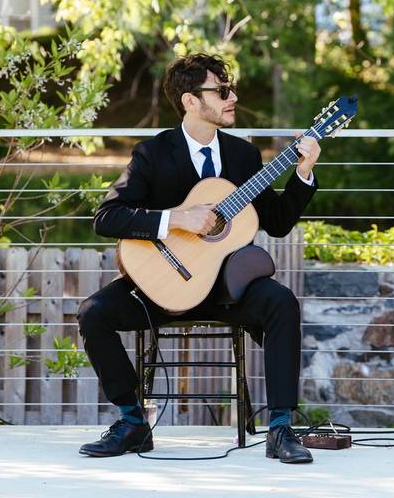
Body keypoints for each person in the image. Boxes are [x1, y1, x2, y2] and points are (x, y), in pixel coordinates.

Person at [78, 53, 319, 463]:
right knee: (93, 313)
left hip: (227, 290)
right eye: (221, 91)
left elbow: (276, 222)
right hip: (162, 286)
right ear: (190, 101)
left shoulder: (243, 156)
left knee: (281, 302)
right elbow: (107, 217)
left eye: (231, 89)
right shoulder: (152, 153)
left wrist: (303, 172)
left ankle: (280, 428)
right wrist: (177, 219)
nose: (232, 97)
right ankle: (133, 421)